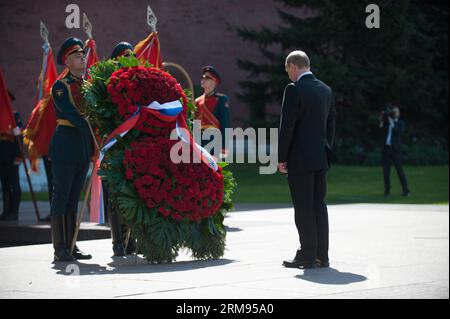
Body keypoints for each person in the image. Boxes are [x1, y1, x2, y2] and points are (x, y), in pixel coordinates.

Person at [278, 50, 336, 269]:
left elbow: (287, 126)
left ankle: (307, 255)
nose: (288, 75)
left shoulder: (294, 89)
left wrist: (282, 157)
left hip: (299, 159)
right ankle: (322, 255)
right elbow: (331, 126)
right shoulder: (325, 90)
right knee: (319, 206)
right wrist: (325, 150)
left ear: (293, 66)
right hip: (320, 158)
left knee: (303, 207)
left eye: (287, 70)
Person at [49, 37, 93, 262]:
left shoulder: (87, 85)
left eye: (83, 55)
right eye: (77, 55)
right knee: (62, 196)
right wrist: (94, 122)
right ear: (66, 61)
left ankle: (72, 245)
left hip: (82, 147)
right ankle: (60, 249)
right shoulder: (60, 86)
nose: (82, 58)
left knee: (74, 197)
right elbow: (72, 114)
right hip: (65, 145)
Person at [105, 41, 137, 256]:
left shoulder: (138, 84)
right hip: (115, 146)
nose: (128, 61)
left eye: (131, 56)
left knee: (134, 192)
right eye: (124, 57)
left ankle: (132, 241)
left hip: (135, 146)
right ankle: (118, 242)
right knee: (115, 194)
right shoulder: (107, 85)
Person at [195, 66, 230, 158]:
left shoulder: (221, 99)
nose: (203, 80)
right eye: (203, 77)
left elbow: (225, 123)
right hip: (198, 140)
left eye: (207, 78)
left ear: (214, 82)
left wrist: (224, 147)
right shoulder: (197, 101)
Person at [0, 92, 23, 222]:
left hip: (13, 154)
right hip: (2, 154)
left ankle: (14, 212)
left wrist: (19, 155)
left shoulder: (14, 115)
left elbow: (20, 135)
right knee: (5, 185)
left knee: (14, 185)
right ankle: (6, 211)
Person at [379, 105, 410, 197]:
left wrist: (392, 122)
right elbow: (380, 129)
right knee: (386, 172)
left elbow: (398, 132)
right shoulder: (387, 122)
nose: (396, 113)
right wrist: (382, 119)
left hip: (396, 150)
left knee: (400, 170)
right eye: (394, 112)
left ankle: (406, 191)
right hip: (387, 149)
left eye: (397, 112)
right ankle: (387, 191)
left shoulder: (400, 123)